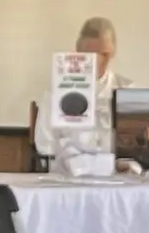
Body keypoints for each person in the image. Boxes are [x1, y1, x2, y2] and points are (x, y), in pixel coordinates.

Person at [33, 16, 122, 161]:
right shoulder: (53, 94)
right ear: (78, 52)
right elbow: (44, 144)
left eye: (104, 54)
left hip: (114, 170)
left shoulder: (127, 91)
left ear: (113, 53)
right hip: (67, 169)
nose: (98, 61)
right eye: (91, 55)